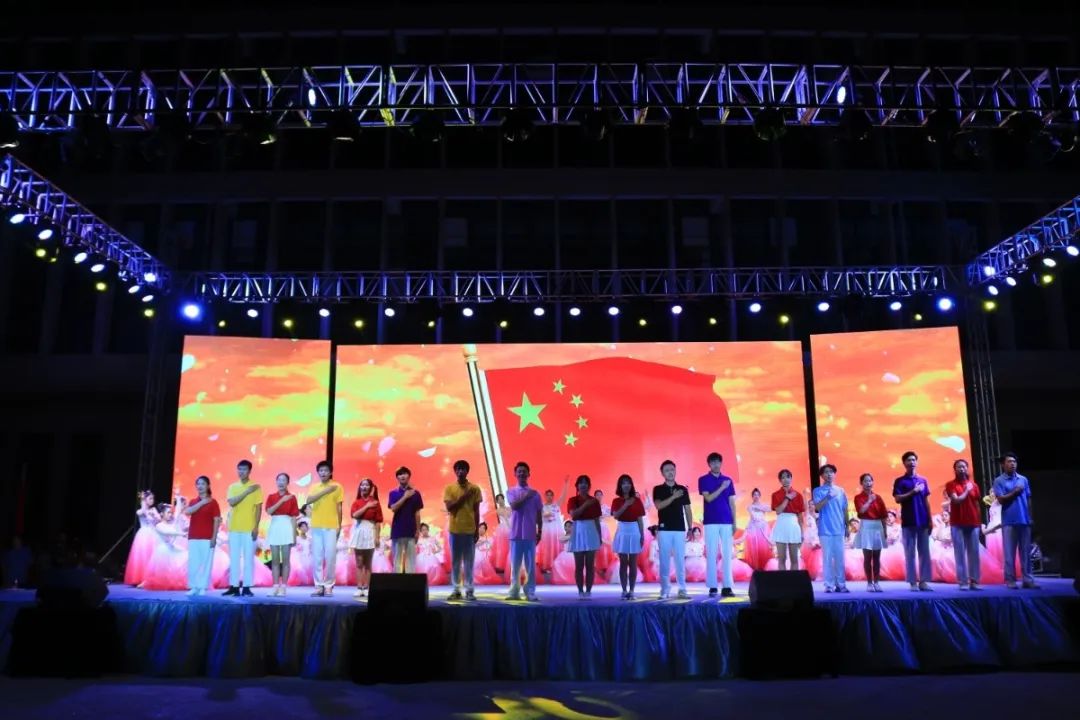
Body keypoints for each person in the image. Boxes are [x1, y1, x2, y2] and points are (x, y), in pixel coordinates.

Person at [992, 452, 1039, 589]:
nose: (1012, 464)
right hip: (1009, 521)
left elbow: (1028, 498)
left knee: (1025, 552)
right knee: (1009, 553)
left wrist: (1030, 516)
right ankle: (1010, 580)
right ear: (1003, 464)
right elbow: (1001, 500)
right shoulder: (999, 481)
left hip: (1024, 520)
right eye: (1009, 461)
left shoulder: (1023, 479)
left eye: (1014, 461)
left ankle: (1027, 579)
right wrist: (1015, 492)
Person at [892, 450, 933, 591]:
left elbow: (926, 501)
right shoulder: (900, 481)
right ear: (904, 463)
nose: (912, 462)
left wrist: (930, 520)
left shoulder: (923, 480)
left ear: (917, 462)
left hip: (923, 520)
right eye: (909, 460)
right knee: (909, 552)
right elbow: (897, 498)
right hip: (908, 521)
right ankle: (912, 582)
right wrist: (912, 492)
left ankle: (924, 582)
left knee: (924, 552)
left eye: (914, 460)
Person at [698, 452, 736, 598]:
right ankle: (712, 586)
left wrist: (734, 522)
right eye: (712, 462)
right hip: (710, 521)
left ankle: (727, 586)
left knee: (727, 554)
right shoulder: (703, 479)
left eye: (718, 462)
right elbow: (708, 498)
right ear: (709, 464)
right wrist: (721, 487)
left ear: (721, 463)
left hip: (726, 521)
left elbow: (732, 502)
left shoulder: (728, 480)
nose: (715, 464)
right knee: (711, 553)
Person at [654, 459, 693, 599]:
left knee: (680, 560)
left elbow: (688, 509)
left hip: (679, 528)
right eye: (667, 470)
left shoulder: (683, 489)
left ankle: (682, 589)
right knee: (664, 560)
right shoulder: (658, 489)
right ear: (662, 473)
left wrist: (690, 527)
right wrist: (673, 496)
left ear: (675, 471)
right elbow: (659, 505)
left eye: (672, 469)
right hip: (664, 529)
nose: (670, 472)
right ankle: (665, 589)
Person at [443, 459, 482, 601]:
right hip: (455, 530)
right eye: (458, 469)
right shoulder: (449, 488)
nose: (460, 471)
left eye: (463, 469)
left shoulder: (475, 489)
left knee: (469, 562)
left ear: (467, 471)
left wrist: (477, 530)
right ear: (455, 471)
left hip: (470, 530)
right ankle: (456, 590)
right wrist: (464, 496)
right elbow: (450, 507)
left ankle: (470, 590)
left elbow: (476, 511)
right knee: (456, 561)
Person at [224, 459, 263, 597]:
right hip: (234, 527)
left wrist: (256, 527)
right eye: (239, 469)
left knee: (248, 559)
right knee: (234, 558)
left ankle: (246, 587)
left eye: (244, 469)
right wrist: (247, 491)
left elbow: (258, 508)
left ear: (249, 471)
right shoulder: (233, 487)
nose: (241, 472)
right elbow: (232, 502)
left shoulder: (256, 487)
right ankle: (234, 586)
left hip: (249, 528)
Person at [505, 461, 543, 602]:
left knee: (530, 565)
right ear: (515, 474)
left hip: (530, 533)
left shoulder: (536, 494)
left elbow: (539, 513)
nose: (522, 473)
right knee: (515, 565)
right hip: (515, 533)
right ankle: (514, 591)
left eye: (524, 471)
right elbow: (514, 506)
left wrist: (540, 531)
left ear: (528, 474)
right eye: (519, 471)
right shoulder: (511, 491)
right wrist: (527, 496)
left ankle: (530, 591)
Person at [306, 460, 344, 597]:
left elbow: (339, 507)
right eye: (321, 470)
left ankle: (328, 586)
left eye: (326, 470)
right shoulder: (315, 487)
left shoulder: (337, 486)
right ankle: (318, 586)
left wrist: (339, 525)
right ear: (318, 472)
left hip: (331, 525)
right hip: (316, 525)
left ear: (330, 472)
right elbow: (309, 501)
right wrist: (326, 491)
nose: (323, 473)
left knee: (330, 556)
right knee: (317, 557)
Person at [811, 464, 849, 593]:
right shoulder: (817, 491)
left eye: (831, 472)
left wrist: (847, 526)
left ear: (835, 474)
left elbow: (844, 509)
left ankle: (841, 584)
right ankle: (829, 585)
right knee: (827, 558)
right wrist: (828, 496)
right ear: (822, 476)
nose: (829, 474)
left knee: (839, 558)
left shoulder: (841, 491)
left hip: (839, 529)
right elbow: (818, 507)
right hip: (825, 529)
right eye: (826, 472)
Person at [183, 476, 221, 596]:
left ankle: (203, 587)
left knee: (206, 563)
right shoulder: (193, 501)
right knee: (193, 563)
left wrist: (214, 537)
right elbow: (188, 511)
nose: (200, 486)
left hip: (207, 537)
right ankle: (194, 587)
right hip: (193, 536)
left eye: (203, 484)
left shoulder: (213, 502)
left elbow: (216, 520)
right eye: (198, 484)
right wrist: (202, 503)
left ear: (208, 486)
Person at [567, 474, 602, 599]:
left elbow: (597, 520)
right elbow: (574, 515)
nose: (583, 485)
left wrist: (599, 536)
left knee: (590, 565)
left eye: (585, 482)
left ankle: (588, 591)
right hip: (578, 530)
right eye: (581, 482)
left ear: (589, 486)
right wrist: (586, 504)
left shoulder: (595, 501)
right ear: (577, 486)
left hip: (591, 530)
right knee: (579, 565)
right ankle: (580, 591)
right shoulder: (573, 500)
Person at [611, 473, 645, 600]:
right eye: (623, 483)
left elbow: (640, 519)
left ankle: (632, 590)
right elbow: (616, 515)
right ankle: (624, 590)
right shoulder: (616, 501)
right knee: (623, 562)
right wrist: (625, 504)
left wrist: (642, 535)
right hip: (622, 529)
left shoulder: (637, 500)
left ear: (631, 485)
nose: (626, 485)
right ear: (620, 486)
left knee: (633, 562)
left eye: (628, 483)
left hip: (634, 530)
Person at [265, 472, 300, 596]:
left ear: (288, 482)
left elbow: (294, 517)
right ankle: (275, 586)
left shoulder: (292, 497)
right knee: (275, 560)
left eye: (284, 480)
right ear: (276, 482)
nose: (281, 482)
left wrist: (294, 536)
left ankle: (283, 587)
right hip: (275, 526)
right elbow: (269, 511)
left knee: (285, 560)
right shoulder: (271, 497)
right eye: (279, 480)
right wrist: (281, 501)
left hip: (286, 527)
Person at [349, 478, 383, 599]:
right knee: (359, 562)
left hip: (370, 531)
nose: (364, 487)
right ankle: (359, 588)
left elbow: (378, 522)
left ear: (371, 488)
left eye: (367, 485)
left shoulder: (376, 503)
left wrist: (377, 537)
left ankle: (367, 588)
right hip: (359, 531)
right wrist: (367, 506)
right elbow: (355, 515)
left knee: (368, 563)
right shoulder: (356, 502)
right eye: (362, 485)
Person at [853, 473, 887, 592]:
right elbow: (861, 511)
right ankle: (869, 583)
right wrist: (869, 501)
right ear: (861, 483)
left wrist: (885, 530)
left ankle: (876, 582)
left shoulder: (878, 497)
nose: (868, 483)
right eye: (865, 481)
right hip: (866, 526)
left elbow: (883, 515)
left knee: (877, 557)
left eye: (870, 481)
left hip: (877, 526)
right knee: (867, 557)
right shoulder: (858, 497)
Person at [387, 466, 423, 573]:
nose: (402, 476)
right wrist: (405, 497)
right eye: (400, 474)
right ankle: (397, 581)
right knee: (397, 559)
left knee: (411, 560)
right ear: (397, 478)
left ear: (409, 476)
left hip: (411, 529)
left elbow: (417, 513)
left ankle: (410, 582)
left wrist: (418, 530)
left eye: (405, 474)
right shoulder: (393, 493)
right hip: (397, 530)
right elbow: (393, 508)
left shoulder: (416, 493)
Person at [124, 490, 161, 587]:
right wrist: (143, 500)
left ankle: (150, 578)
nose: (152, 500)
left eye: (153, 498)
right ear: (145, 500)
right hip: (144, 534)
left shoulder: (153, 510)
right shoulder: (140, 511)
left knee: (152, 557)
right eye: (150, 498)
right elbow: (144, 513)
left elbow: (158, 519)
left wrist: (155, 516)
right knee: (143, 557)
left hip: (154, 534)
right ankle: (142, 578)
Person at [770, 469, 804, 571]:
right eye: (783, 477)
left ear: (791, 478)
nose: (786, 479)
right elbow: (778, 511)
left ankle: (793, 580)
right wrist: (787, 498)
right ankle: (783, 580)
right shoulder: (775, 495)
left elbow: (800, 516)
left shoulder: (798, 495)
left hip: (793, 525)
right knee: (782, 559)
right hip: (781, 524)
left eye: (788, 477)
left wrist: (802, 532)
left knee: (794, 559)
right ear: (780, 480)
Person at [538, 478, 570, 572]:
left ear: (553, 496)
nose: (549, 497)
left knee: (557, 546)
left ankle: (559, 565)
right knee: (548, 547)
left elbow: (563, 496)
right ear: (545, 496)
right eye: (547, 495)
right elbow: (541, 516)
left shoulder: (556, 505)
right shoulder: (542, 506)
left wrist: (566, 484)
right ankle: (547, 566)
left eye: (551, 495)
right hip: (547, 530)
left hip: (557, 530)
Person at [743, 488, 773, 570]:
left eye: (757, 495)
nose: (756, 496)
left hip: (763, 527)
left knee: (763, 547)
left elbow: (770, 509)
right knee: (754, 547)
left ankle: (764, 566)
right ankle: (755, 567)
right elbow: (753, 517)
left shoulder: (763, 505)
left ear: (760, 496)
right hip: (753, 527)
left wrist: (759, 508)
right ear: (752, 496)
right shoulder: (750, 506)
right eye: (754, 495)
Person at [491, 493, 511, 574]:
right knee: (503, 547)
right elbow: (506, 516)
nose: (500, 500)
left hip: (511, 526)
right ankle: (503, 565)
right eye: (498, 499)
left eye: (501, 498)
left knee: (511, 546)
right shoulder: (498, 510)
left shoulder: (509, 508)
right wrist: (510, 527)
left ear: (504, 499)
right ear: (497, 502)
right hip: (504, 528)